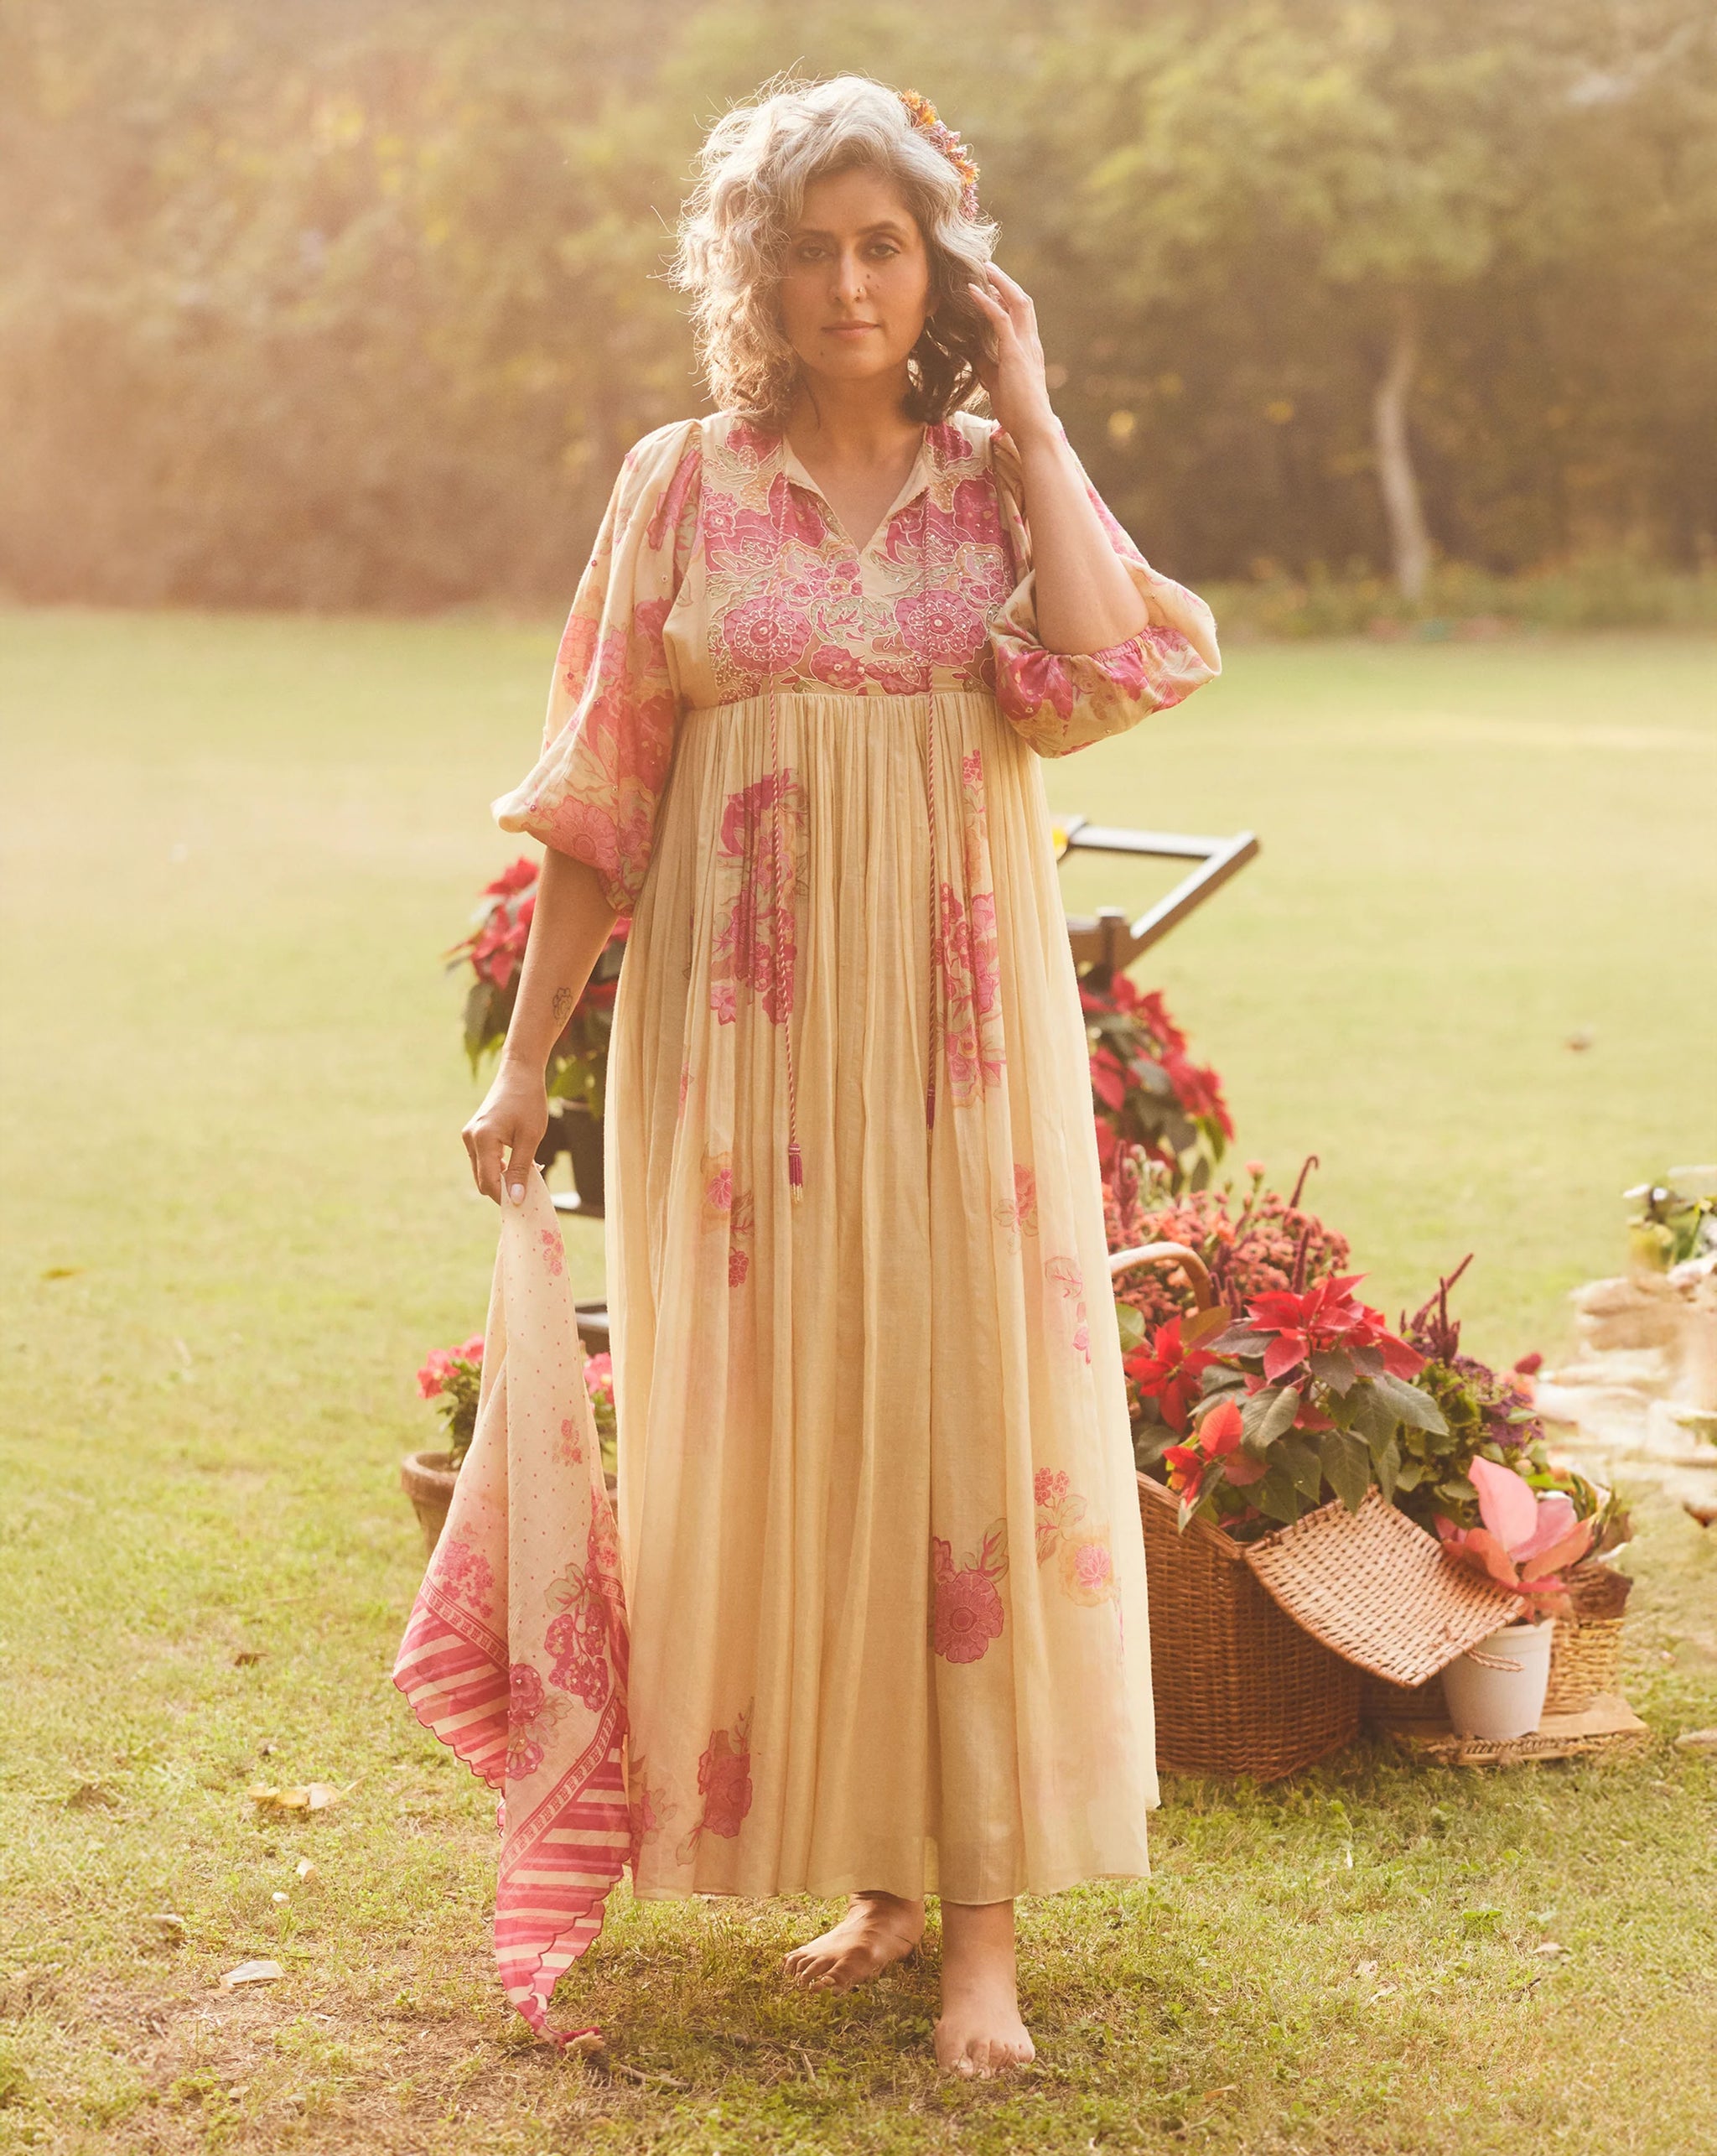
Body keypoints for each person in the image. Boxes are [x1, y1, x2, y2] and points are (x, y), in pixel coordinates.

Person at [460, 73, 1220, 2077]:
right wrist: (525, 1064)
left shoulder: (994, 483)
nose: (848, 283)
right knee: (799, 1432)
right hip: (741, 1058)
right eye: (808, 249)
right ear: (757, 272)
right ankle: (879, 1876)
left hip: (959, 1048)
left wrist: (1033, 413)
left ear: (940, 267)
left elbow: (1107, 670)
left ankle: (981, 1933)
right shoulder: (681, 484)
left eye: (884, 244)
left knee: (965, 1424)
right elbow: (601, 795)